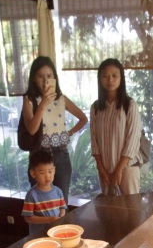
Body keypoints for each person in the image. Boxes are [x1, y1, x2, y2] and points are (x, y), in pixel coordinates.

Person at [20, 56, 87, 201]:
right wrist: (43, 103)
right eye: (40, 76)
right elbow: (31, 129)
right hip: (39, 156)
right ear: (33, 78)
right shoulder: (29, 100)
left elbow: (83, 119)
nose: (45, 81)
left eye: (49, 76)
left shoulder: (61, 99)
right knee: (41, 204)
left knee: (62, 204)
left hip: (61, 156)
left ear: (54, 78)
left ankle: (61, 225)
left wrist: (69, 133)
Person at [89, 58, 143, 195]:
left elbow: (133, 140)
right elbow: (94, 141)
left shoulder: (130, 105)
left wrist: (119, 170)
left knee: (131, 212)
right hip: (105, 171)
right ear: (100, 79)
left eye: (114, 76)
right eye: (105, 76)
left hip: (127, 169)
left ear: (121, 78)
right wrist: (101, 170)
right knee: (110, 212)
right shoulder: (96, 107)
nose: (110, 80)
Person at [21, 149, 66, 234]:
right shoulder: (31, 195)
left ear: (54, 170)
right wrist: (49, 220)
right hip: (38, 235)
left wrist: (61, 216)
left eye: (50, 171)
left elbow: (62, 208)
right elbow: (28, 218)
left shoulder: (58, 191)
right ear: (33, 173)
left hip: (55, 232)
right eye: (42, 173)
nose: (47, 176)